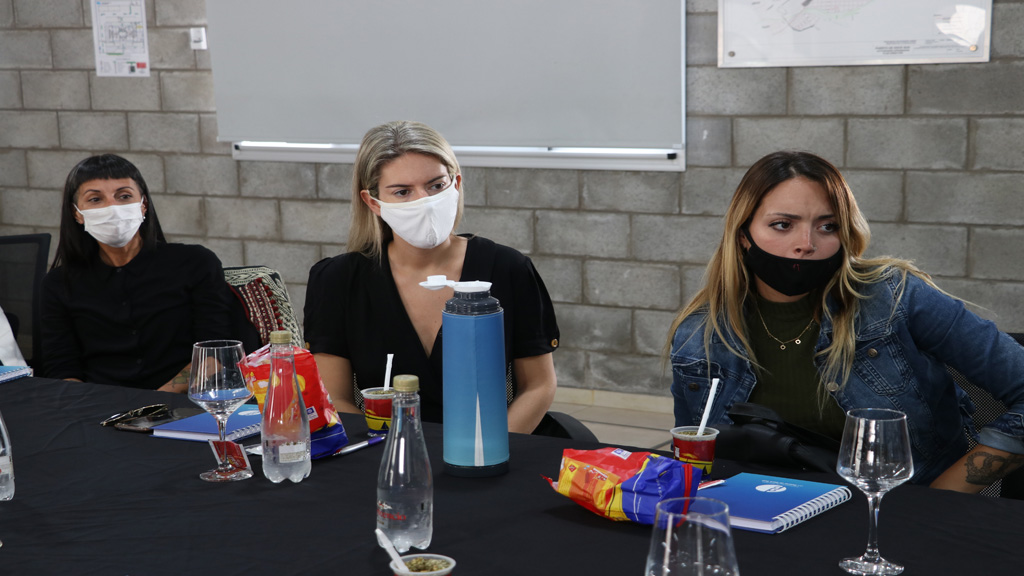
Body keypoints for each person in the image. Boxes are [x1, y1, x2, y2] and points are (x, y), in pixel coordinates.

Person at [667, 150, 1024, 493]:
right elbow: (695, 455)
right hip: (759, 515)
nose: (805, 244)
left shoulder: (896, 297)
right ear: (743, 236)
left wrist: (945, 492)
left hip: (894, 510)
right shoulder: (699, 334)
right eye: (782, 225)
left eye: (827, 226)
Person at [304, 120, 559, 434]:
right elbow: (334, 397)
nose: (423, 201)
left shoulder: (508, 268)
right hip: (384, 454)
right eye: (402, 192)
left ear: (456, 184)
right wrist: (397, 457)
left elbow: (539, 386)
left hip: (491, 449)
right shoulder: (338, 279)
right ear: (373, 202)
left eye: (436, 185)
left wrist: (488, 450)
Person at [41, 154, 240, 392]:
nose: (112, 208)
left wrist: (151, 406)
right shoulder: (58, 283)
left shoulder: (195, 262)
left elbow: (215, 351)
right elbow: (61, 368)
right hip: (97, 407)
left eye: (124, 196)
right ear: (77, 214)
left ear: (143, 204)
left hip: (182, 402)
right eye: (95, 199)